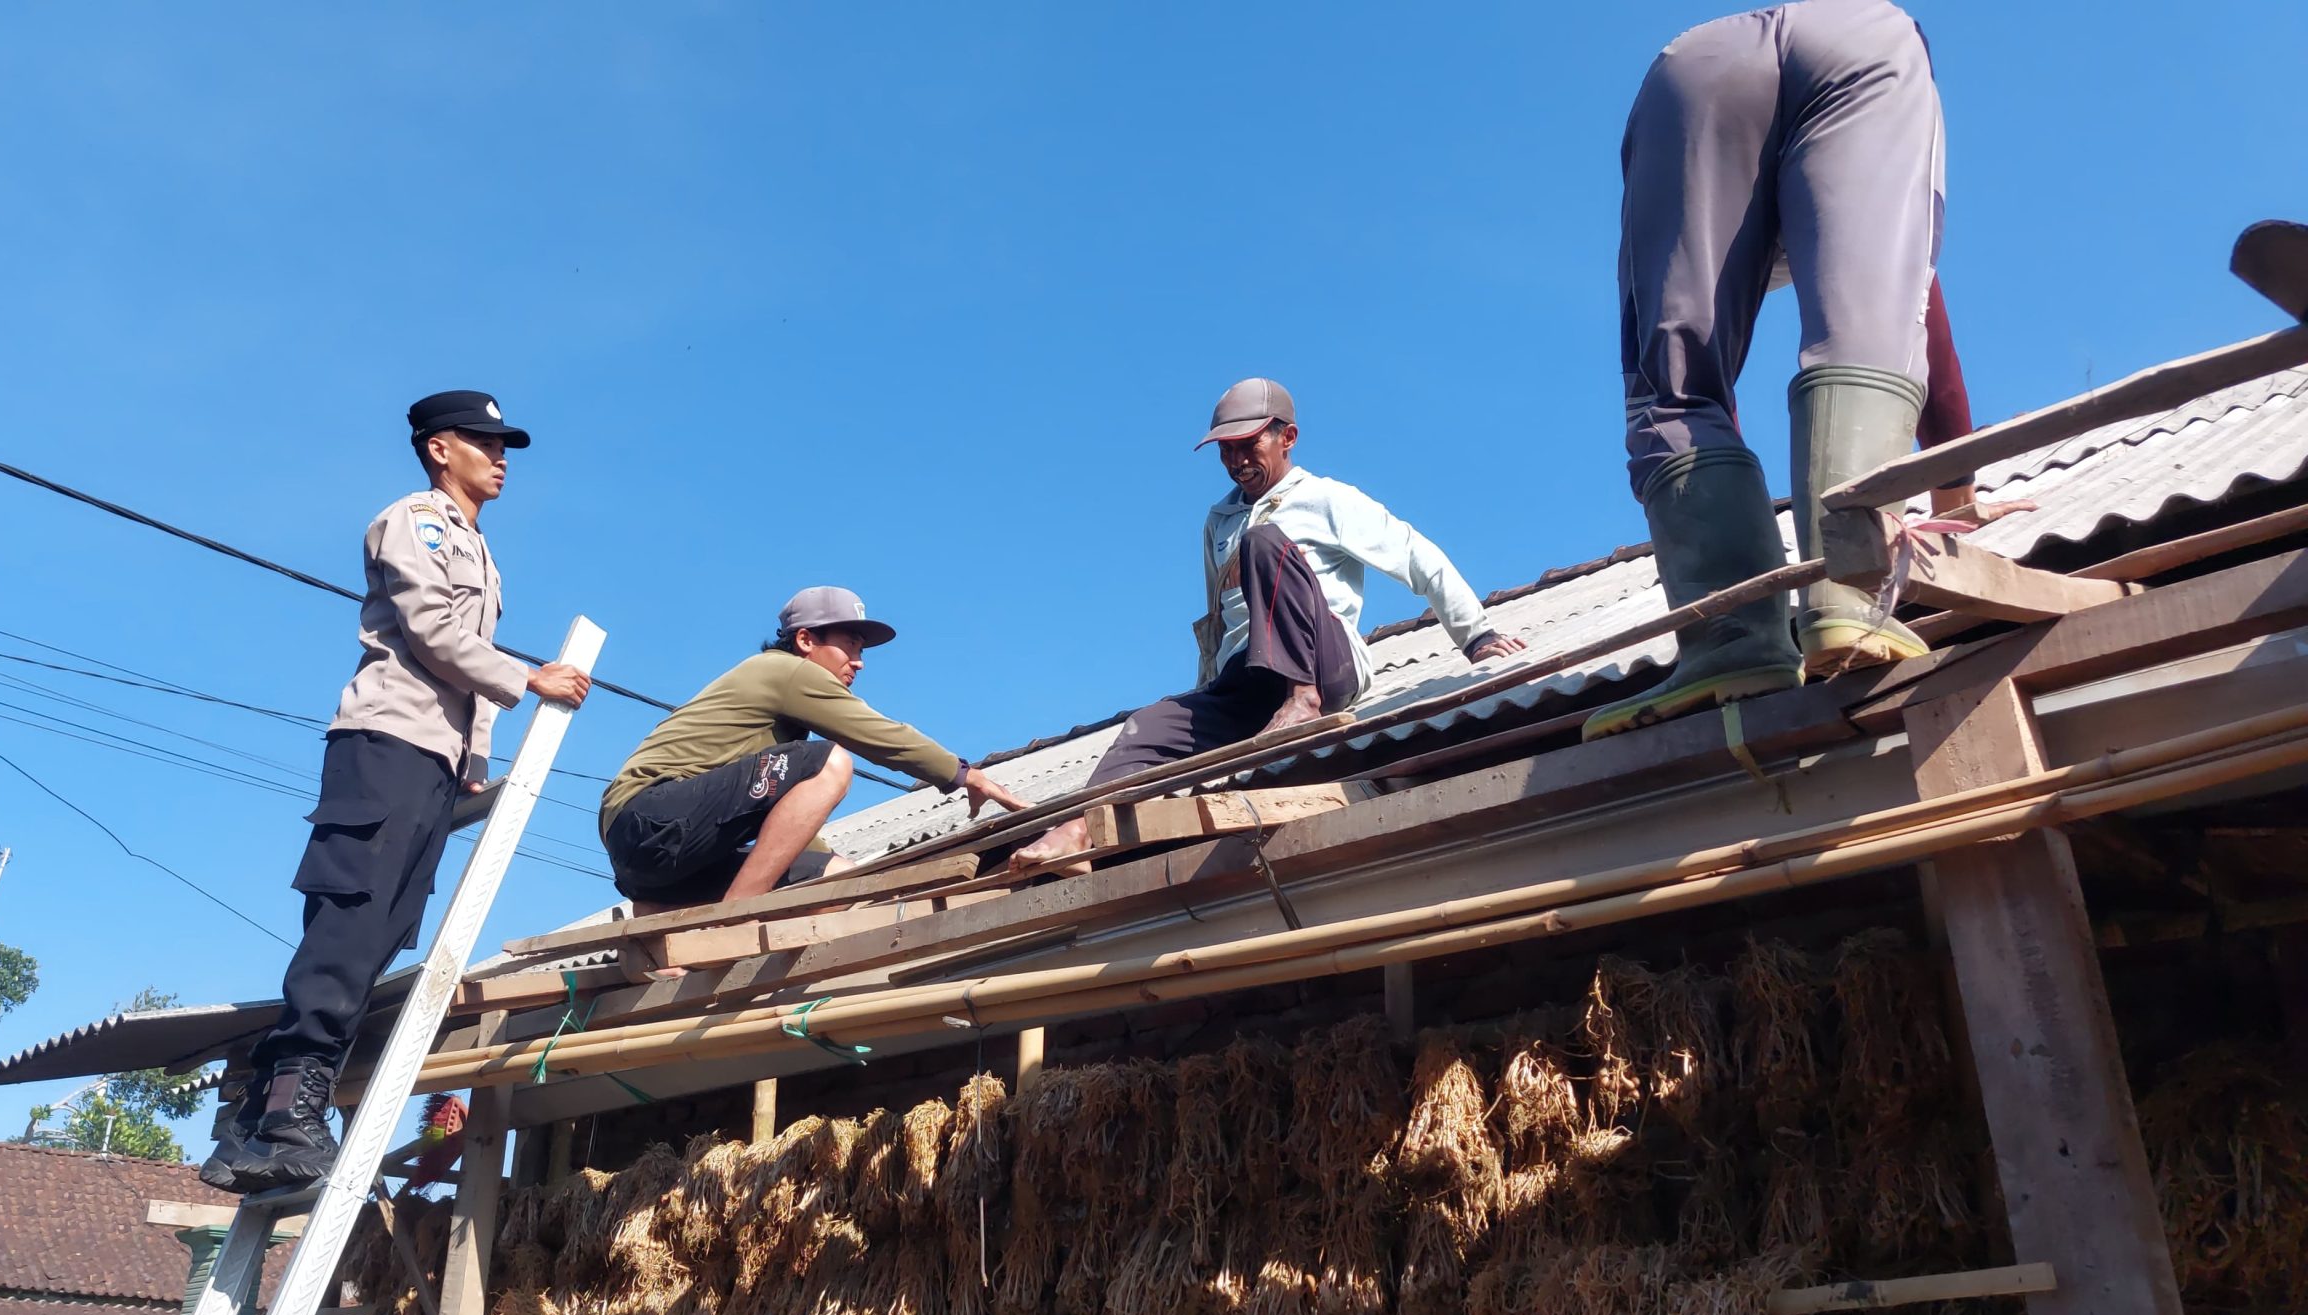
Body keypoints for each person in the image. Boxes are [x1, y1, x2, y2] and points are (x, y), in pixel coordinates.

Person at [201, 390, 593, 1193]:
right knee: (349, 923)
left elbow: (465, 661)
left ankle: (266, 1121)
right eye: (485, 442)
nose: (502, 457)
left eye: (505, 444)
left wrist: (476, 753)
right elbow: (432, 631)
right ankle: (282, 1111)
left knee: (384, 931)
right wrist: (530, 678)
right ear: (439, 448)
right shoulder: (414, 520)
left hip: (436, 760)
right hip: (384, 742)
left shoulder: (483, 553)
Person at [1587, 0, 1988, 742]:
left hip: (1693, 70)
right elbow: (1912, 304)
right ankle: (1851, 593)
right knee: (1868, 316)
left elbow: (1697, 403)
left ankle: (1731, 643)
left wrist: (1728, 571)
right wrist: (1954, 487)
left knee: (1671, 383)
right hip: (1865, 37)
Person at [1008, 379, 1525, 873]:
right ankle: (1078, 832)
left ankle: (1302, 702)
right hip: (1250, 678)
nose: (1236, 461)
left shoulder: (1326, 499)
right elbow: (1217, 621)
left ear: (1287, 438)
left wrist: (1475, 636)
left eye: (1247, 445)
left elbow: (1417, 556)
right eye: (1225, 451)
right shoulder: (1220, 520)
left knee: (1266, 543)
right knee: (1147, 726)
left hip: (1324, 666)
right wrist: (1205, 698)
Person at [600, 586, 1028, 920]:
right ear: (805, 640)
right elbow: (879, 734)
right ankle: (731, 921)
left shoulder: (778, 744)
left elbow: (789, 823)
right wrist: (965, 775)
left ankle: (660, 924)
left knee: (836, 880)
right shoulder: (782, 670)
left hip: (650, 868)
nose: (858, 662)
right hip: (648, 815)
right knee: (833, 760)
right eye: (851, 645)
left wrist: (831, 866)